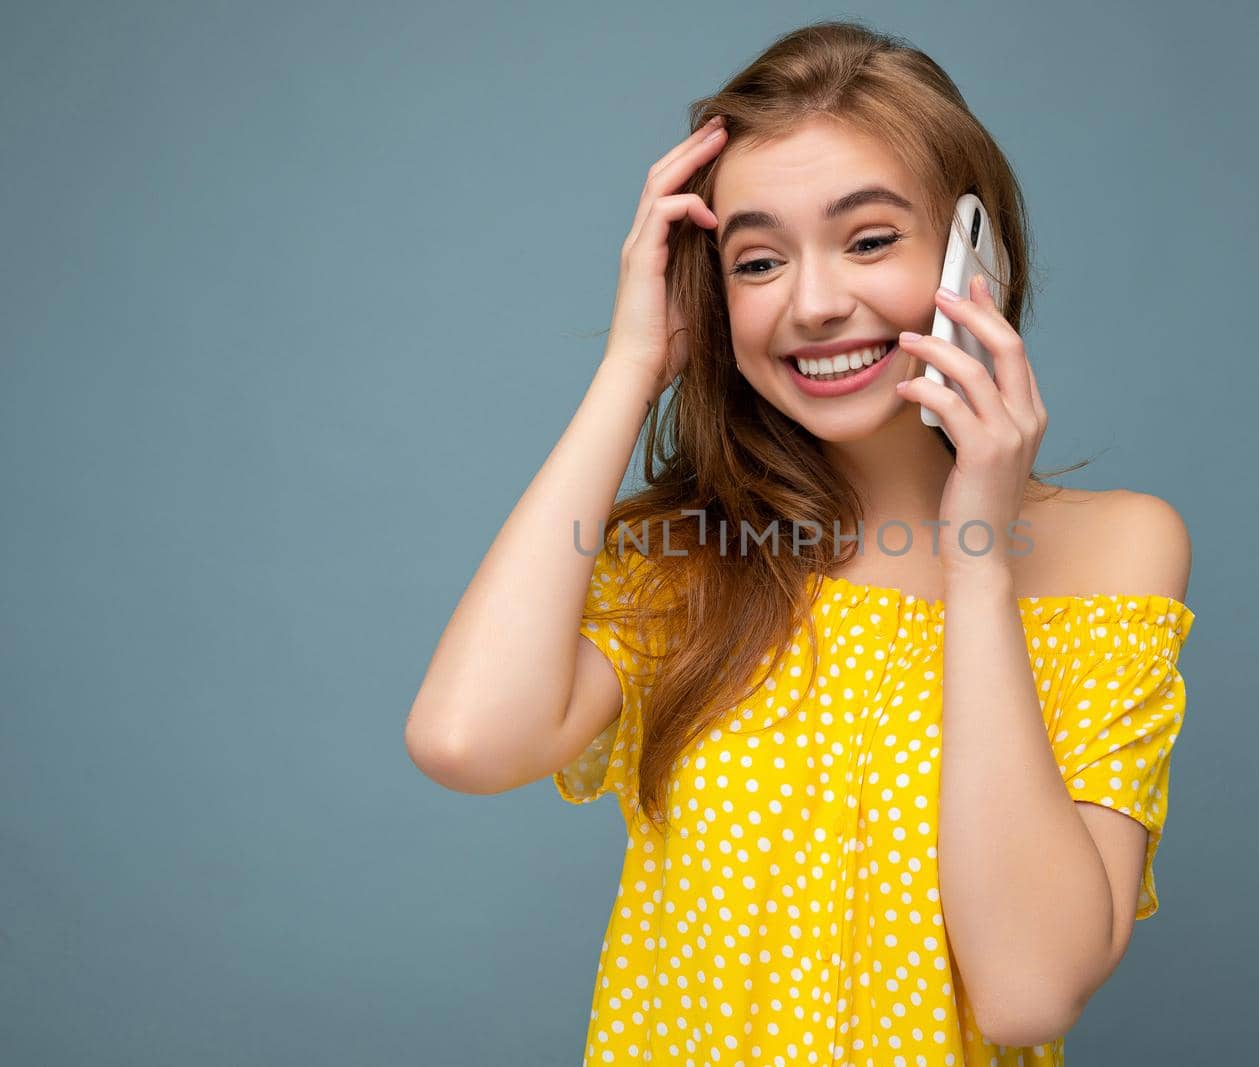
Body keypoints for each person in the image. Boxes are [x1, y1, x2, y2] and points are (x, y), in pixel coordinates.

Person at [406, 18, 1196, 1064]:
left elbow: (1024, 990)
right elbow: (466, 740)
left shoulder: (1115, 548)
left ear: (978, 260)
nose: (815, 305)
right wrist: (632, 367)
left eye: (869, 240)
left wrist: (975, 550)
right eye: (759, 260)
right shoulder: (692, 556)